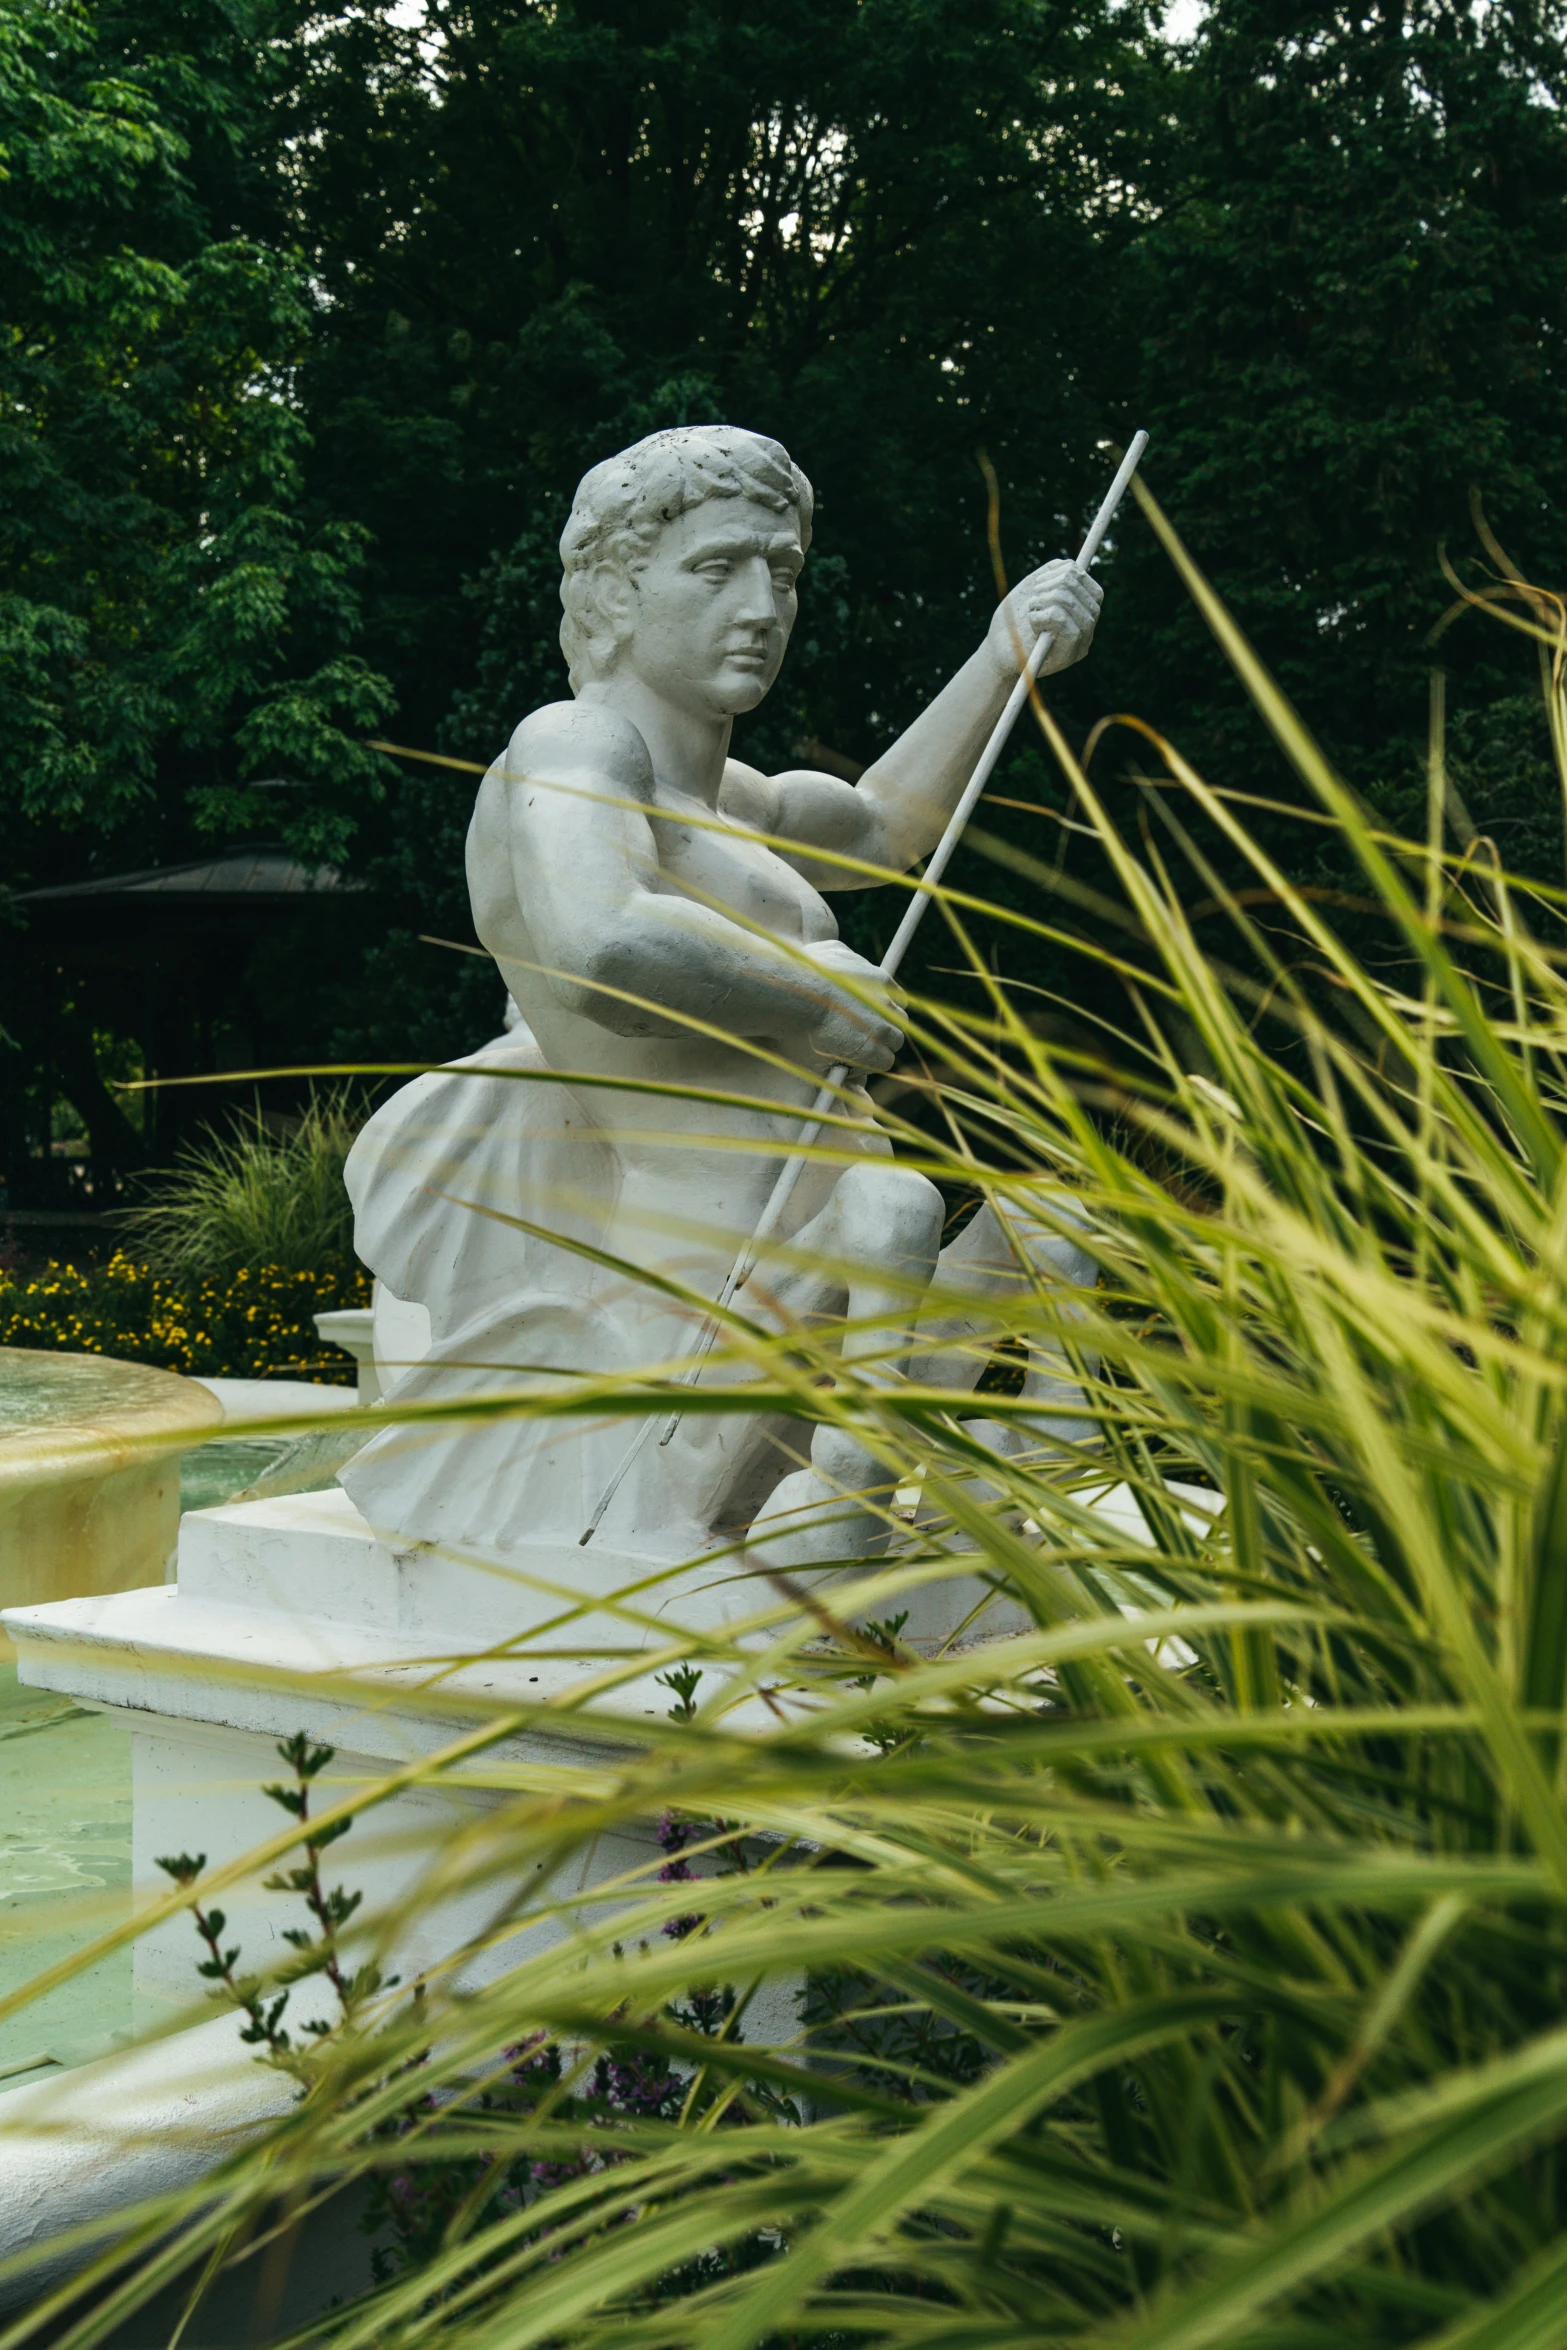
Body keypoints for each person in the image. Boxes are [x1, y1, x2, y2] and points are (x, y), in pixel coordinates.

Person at [341, 425, 1099, 1590]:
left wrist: (1002, 658)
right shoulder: (571, 744)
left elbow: (886, 830)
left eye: (782, 571)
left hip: (832, 1241)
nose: (761, 605)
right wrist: (809, 986)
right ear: (612, 588)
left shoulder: (734, 796)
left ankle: (1011, 1488)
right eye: (716, 568)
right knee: (895, 1210)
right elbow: (602, 935)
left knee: (1052, 1233)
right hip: (691, 1284)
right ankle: (864, 1501)